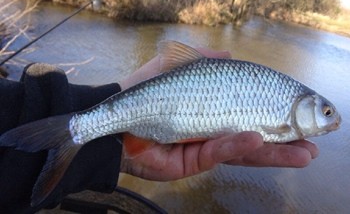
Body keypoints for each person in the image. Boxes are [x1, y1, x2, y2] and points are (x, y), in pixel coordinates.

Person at [0, 47, 318, 213]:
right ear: (302, 105)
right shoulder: (283, 115)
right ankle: (74, 131)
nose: (330, 120)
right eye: (326, 112)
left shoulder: (284, 104)